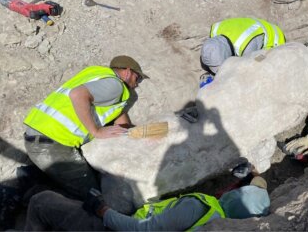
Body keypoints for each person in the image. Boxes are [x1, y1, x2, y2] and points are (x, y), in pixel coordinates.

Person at [22, 55, 149, 199]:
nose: (137, 84)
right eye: (137, 78)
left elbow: (120, 119)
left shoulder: (96, 75)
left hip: (40, 133)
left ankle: (32, 175)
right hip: (53, 141)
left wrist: (137, 135)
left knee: (83, 176)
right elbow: (78, 95)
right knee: (92, 196)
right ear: (127, 72)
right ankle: (23, 192)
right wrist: (97, 131)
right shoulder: (116, 86)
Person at [24, 173, 270, 231]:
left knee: (41, 201)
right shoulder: (219, 220)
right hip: (136, 218)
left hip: (120, 226)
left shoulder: (199, 206)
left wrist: (104, 211)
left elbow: (143, 230)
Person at [200, 17, 286, 75]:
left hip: (274, 39)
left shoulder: (246, 46)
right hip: (250, 26)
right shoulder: (215, 31)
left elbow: (248, 70)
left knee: (259, 66)